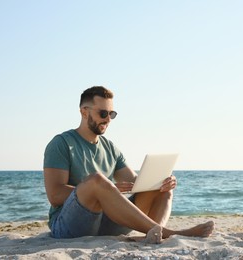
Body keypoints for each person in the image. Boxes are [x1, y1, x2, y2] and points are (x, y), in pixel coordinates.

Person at [43, 86, 214, 243]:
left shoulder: (109, 147)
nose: (108, 119)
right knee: (96, 181)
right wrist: (104, 190)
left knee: (159, 186)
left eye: (112, 114)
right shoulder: (62, 143)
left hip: (105, 224)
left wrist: (163, 181)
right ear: (84, 112)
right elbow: (55, 194)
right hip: (68, 226)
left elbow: (137, 183)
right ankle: (167, 232)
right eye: (103, 113)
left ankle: (155, 234)